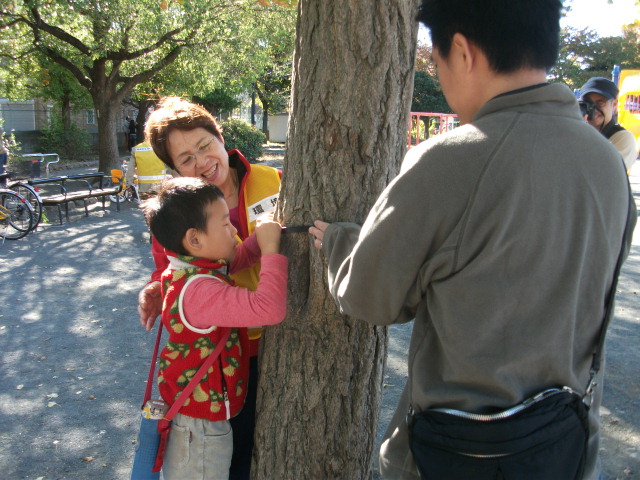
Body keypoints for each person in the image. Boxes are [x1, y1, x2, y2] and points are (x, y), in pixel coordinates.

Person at [308, 1, 635, 479]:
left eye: (436, 63)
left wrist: (341, 243)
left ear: (460, 50)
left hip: (460, 451)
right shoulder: (607, 163)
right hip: (561, 444)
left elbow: (370, 297)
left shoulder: (452, 157)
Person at [137, 97, 281, 480]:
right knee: (231, 451)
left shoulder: (270, 180)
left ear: (220, 136)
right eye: (186, 159)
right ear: (174, 169)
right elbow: (169, 269)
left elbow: (234, 257)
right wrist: (155, 288)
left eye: (204, 145)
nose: (201, 161)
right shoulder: (178, 211)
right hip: (229, 350)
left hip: (280, 341)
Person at [580, 76, 638, 173]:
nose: (593, 109)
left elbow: (602, 173)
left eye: (600, 103)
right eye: (588, 103)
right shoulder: (581, 133)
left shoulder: (623, 137)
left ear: (614, 104)